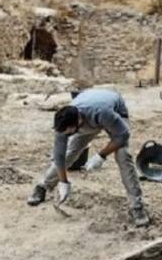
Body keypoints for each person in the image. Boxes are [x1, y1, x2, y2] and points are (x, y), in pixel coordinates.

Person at [26, 87, 149, 227]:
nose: (66, 136)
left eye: (69, 133)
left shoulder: (102, 113)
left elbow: (122, 135)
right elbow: (59, 155)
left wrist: (101, 156)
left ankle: (136, 207)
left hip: (114, 111)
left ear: (78, 122)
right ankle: (43, 186)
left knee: (123, 156)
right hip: (87, 113)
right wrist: (63, 182)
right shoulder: (63, 121)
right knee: (69, 154)